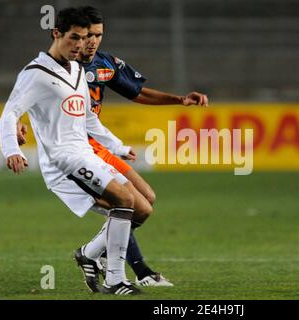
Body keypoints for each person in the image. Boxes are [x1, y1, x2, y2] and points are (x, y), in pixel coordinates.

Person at [0, 7, 142, 295]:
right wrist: (11, 149)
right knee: (125, 199)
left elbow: (88, 118)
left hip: (85, 152)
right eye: (74, 38)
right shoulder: (35, 74)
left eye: (85, 38)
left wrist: (118, 146)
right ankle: (115, 279)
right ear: (56, 34)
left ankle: (89, 254)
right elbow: (10, 112)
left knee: (138, 206)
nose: (79, 45)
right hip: (63, 159)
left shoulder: (77, 69)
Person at [73, 6, 208, 288]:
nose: (93, 41)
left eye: (98, 35)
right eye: (88, 36)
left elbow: (138, 92)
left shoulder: (104, 65)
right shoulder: (62, 68)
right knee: (125, 204)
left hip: (98, 145)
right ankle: (132, 272)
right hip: (74, 150)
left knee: (145, 202)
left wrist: (179, 99)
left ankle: (90, 253)